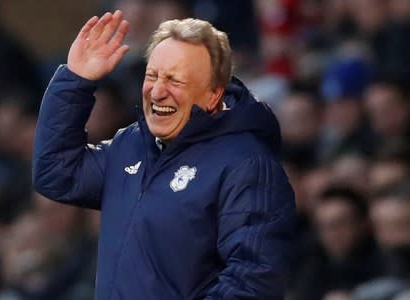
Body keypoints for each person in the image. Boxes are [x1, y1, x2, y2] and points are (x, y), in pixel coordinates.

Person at [33, 10, 296, 299]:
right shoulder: (131, 145)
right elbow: (55, 172)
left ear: (213, 94)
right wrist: (75, 81)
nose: (157, 91)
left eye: (175, 80)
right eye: (152, 76)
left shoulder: (247, 165)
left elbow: (254, 281)